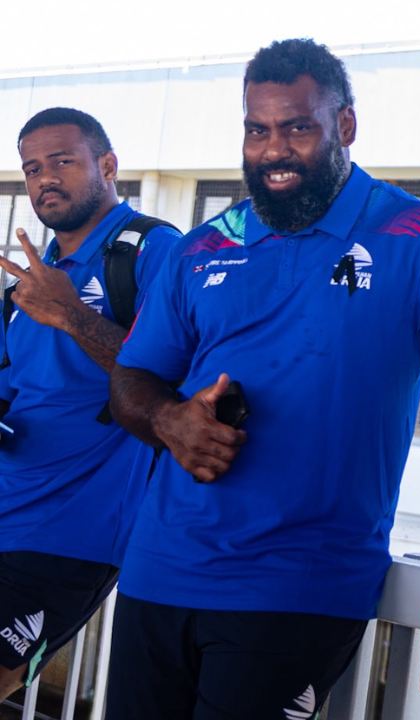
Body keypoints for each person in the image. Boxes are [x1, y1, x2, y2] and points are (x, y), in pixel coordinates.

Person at [104, 39, 420, 719]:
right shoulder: (204, 245)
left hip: (301, 586)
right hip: (159, 571)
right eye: (256, 130)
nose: (274, 151)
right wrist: (169, 420)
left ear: (344, 125)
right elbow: (133, 379)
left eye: (297, 127)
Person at [0, 107, 182, 699]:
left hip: (67, 535)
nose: (45, 178)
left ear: (107, 166)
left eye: (62, 161)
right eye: (32, 168)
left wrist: (71, 315)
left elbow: (177, 386)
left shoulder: (156, 251)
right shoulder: (29, 282)